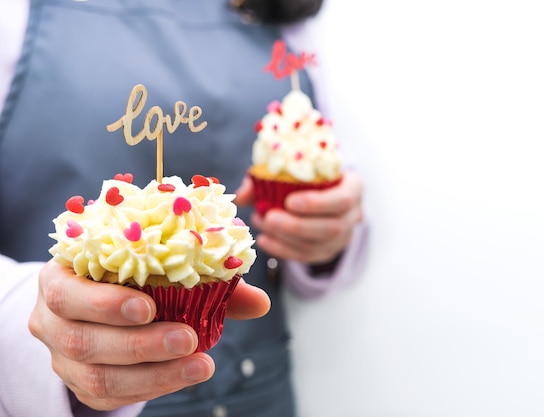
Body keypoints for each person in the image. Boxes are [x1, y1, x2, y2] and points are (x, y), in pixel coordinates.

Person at [0, 0, 369, 416]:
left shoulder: (283, 15)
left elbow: (329, 159)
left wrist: (328, 230)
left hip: (261, 395)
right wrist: (24, 318)